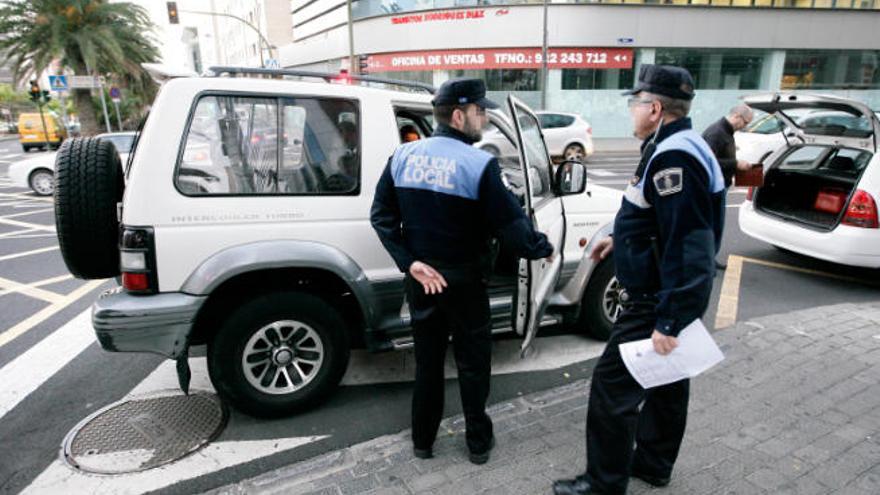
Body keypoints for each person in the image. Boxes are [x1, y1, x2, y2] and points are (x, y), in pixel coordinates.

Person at [553, 65, 724, 495]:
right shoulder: (676, 144)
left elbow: (691, 244)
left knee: (612, 387)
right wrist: (619, 238)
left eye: (636, 103)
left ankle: (602, 484)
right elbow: (656, 218)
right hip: (663, 293)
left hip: (654, 299)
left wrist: (670, 319)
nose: (632, 111)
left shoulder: (674, 157)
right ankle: (653, 464)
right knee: (666, 382)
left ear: (655, 107)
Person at [370, 78, 553, 466]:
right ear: (458, 115)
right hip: (466, 283)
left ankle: (423, 442)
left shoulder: (402, 156)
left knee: (428, 364)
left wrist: (410, 263)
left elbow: (381, 217)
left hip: (422, 281)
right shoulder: (479, 165)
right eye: (480, 111)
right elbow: (513, 229)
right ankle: (477, 445)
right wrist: (544, 248)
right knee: (473, 366)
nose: (484, 118)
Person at [701, 104, 754, 270]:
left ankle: (709, 258)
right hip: (712, 188)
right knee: (714, 225)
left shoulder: (725, 132)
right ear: (737, 116)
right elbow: (706, 161)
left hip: (718, 186)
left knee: (715, 224)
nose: (745, 126)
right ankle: (706, 261)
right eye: (745, 122)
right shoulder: (717, 133)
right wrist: (736, 163)